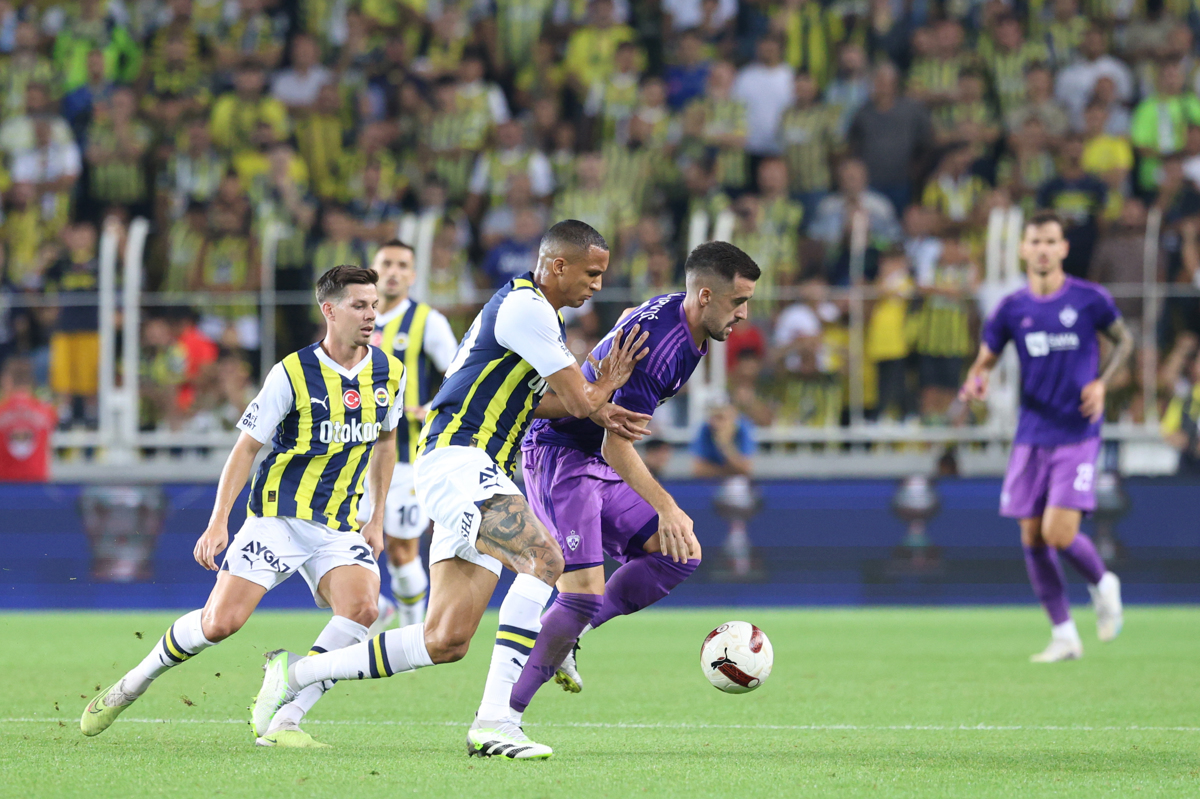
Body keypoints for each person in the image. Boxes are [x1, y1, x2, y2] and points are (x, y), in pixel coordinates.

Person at [252, 221, 652, 760]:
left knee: (445, 640)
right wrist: (603, 388)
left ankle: (294, 672)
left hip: (473, 467)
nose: (598, 284)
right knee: (545, 560)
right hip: (460, 460)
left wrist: (597, 402)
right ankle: (495, 723)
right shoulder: (527, 309)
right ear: (558, 265)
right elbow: (578, 400)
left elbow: (542, 402)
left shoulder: (534, 314)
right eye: (592, 272)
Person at [81, 266, 407, 748]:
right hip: (278, 517)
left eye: (374, 305)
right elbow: (245, 449)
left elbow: (386, 444)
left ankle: (285, 718)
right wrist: (219, 523)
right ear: (330, 310)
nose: (371, 315)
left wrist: (376, 518)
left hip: (339, 524)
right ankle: (133, 683)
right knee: (220, 624)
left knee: (362, 609)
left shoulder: (390, 372)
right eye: (360, 305)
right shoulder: (292, 373)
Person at [496, 242, 759, 746]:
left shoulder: (683, 321)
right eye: (737, 302)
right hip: (562, 459)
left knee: (678, 555)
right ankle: (504, 715)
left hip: (592, 458)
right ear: (706, 296)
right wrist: (669, 506)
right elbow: (617, 448)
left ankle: (571, 638)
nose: (743, 314)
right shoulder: (663, 350)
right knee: (581, 596)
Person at [961, 210, 1133, 663]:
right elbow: (985, 360)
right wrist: (976, 380)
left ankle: (1102, 582)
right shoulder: (1012, 308)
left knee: (1058, 532)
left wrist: (1102, 381)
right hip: (1031, 433)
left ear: (1063, 248)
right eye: (1034, 241)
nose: (1042, 249)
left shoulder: (1089, 299)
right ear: (1023, 249)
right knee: (1032, 538)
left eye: (1050, 241)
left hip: (1077, 429)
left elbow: (1124, 340)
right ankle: (1064, 635)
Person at [357, 241, 459, 634]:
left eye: (402, 265)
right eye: (386, 264)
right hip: (354, 450)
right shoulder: (354, 318)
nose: (394, 272)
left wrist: (430, 407)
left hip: (405, 455)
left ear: (413, 276)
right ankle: (380, 611)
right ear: (373, 270)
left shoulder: (426, 321)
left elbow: (459, 375)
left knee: (400, 550)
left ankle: (415, 633)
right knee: (335, 541)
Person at [0, 358, 56, 482]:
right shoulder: (47, 411)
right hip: (37, 485)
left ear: (8, 380)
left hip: (4, 487)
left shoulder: (1, 411)